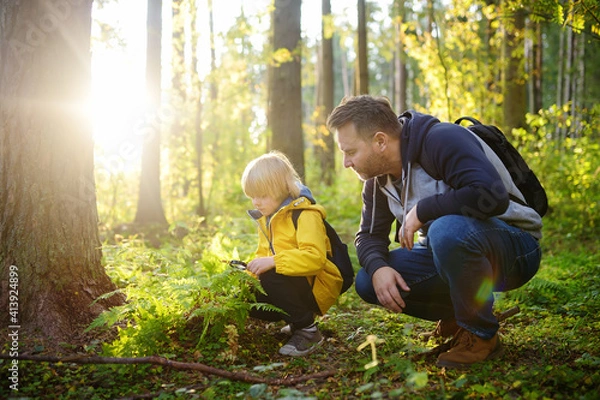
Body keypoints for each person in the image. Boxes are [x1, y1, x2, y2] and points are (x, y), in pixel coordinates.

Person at [326, 95, 542, 368]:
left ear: (380, 141)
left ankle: (481, 334)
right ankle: (459, 315)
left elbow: (491, 194)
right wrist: (379, 267)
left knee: (445, 230)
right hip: (452, 250)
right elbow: (368, 236)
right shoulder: (378, 180)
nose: (346, 162)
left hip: (515, 246)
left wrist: (424, 210)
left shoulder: (441, 140)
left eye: (350, 152)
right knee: (368, 280)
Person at [241, 151, 343, 356]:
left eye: (262, 196)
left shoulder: (305, 215)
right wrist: (247, 278)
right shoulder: (267, 218)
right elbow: (263, 254)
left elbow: (314, 258)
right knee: (248, 297)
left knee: (271, 276)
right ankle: (297, 322)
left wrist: (273, 262)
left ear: (280, 190)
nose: (256, 202)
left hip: (318, 283)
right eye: (252, 196)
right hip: (296, 279)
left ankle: (308, 331)